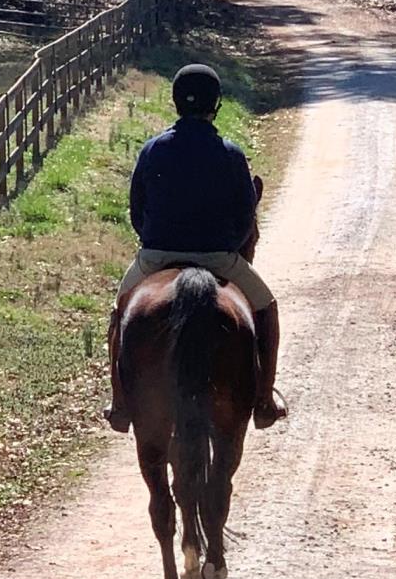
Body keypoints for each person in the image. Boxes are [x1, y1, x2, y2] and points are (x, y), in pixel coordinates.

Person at [105, 62, 286, 431]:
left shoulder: (152, 150)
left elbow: (136, 208)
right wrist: (227, 248)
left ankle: (119, 400)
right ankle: (265, 398)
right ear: (215, 104)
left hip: (158, 255)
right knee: (266, 308)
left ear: (175, 103)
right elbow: (244, 212)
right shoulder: (231, 154)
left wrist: (154, 240)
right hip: (218, 256)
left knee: (119, 313)